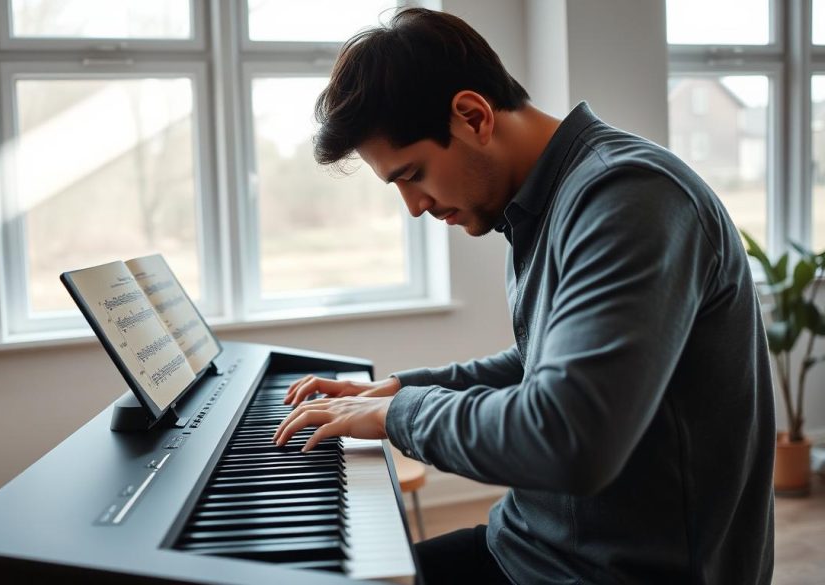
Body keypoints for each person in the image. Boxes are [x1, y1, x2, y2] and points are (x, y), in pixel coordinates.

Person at [271, 7, 775, 584]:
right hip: (533, 551)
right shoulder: (548, 203)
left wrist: (395, 415)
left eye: (412, 175)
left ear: (472, 115)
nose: (414, 207)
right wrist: (401, 387)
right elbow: (541, 362)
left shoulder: (629, 198)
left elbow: (569, 437)